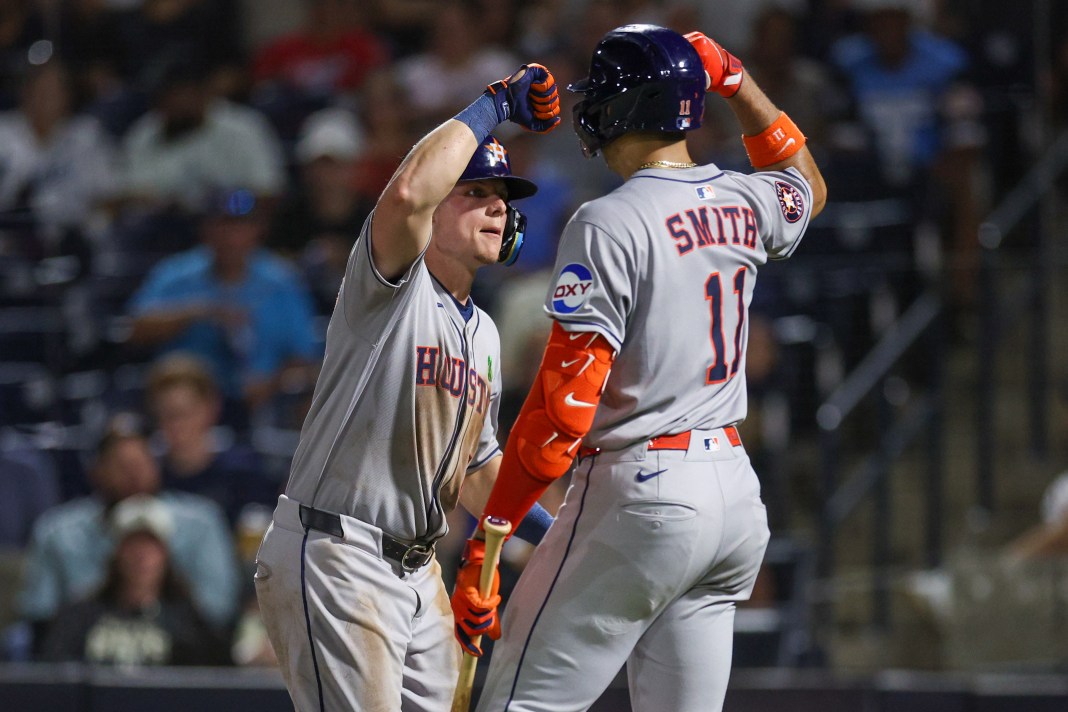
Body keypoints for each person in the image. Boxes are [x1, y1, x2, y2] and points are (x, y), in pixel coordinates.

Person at [452, 25, 827, 712]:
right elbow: (806, 185)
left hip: (643, 491)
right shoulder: (743, 200)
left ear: (624, 107)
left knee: (518, 705)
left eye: (599, 92)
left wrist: (491, 535)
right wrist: (739, 84)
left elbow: (562, 408)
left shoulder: (609, 220)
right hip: (733, 498)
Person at [253, 62, 562, 711]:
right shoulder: (389, 283)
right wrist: (496, 102)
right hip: (340, 551)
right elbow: (403, 196)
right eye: (475, 190)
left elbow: (479, 473)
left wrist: (558, 536)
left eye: (502, 195)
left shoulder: (484, 333)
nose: (497, 205)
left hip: (418, 571)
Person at [17, 416, 241, 648]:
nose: (134, 475)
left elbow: (219, 612)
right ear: (97, 471)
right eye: (121, 465)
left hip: (178, 654)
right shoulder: (57, 530)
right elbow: (40, 616)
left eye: (142, 463)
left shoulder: (201, 522)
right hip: (83, 654)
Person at [126, 187, 323, 422]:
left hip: (265, 402)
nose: (232, 237)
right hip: (188, 405)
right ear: (206, 229)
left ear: (258, 230)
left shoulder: (281, 280)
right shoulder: (176, 275)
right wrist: (197, 312)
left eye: (241, 226)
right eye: (224, 225)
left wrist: (270, 384)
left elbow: (304, 353)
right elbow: (135, 329)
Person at [39, 494, 231, 666]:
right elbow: (57, 672)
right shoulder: (81, 615)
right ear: (116, 554)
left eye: (151, 546)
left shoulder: (188, 620)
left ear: (165, 555)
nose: (141, 556)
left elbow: (212, 677)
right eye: (132, 545)